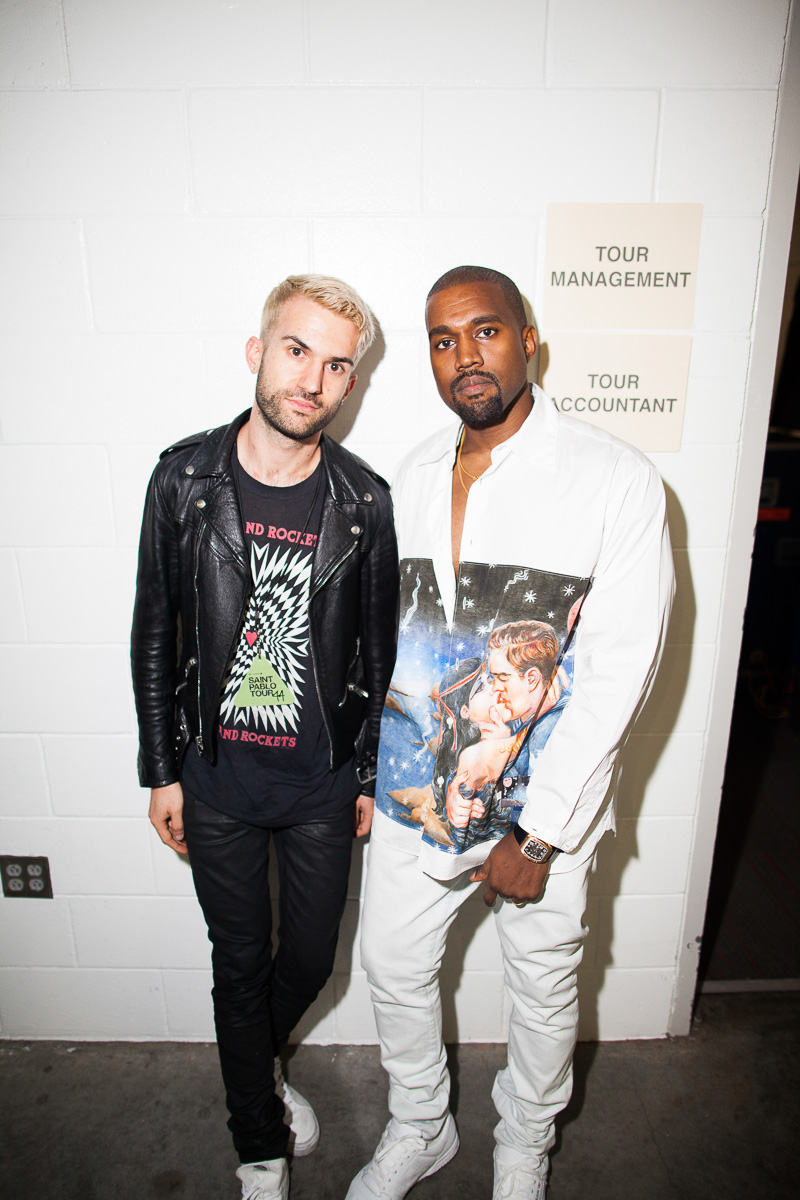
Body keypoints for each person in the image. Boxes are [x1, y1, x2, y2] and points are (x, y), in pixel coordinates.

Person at [347, 265, 674, 1200]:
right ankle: (423, 1123)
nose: (465, 357)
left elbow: (619, 673)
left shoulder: (614, 479)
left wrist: (542, 834)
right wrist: (373, 773)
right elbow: (386, 645)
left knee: (542, 984)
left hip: (542, 808)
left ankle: (524, 1141)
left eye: (484, 332)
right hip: (422, 790)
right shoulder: (405, 476)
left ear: (528, 338)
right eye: (443, 341)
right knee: (393, 963)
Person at [130, 274, 399, 1200]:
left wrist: (365, 771)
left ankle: (259, 1063)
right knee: (236, 961)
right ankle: (258, 1137)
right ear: (257, 352)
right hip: (215, 781)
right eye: (297, 351)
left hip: (321, 782)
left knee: (309, 959)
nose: (313, 381)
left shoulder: (364, 501)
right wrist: (160, 769)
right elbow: (156, 627)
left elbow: (379, 647)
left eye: (337, 365)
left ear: (351, 383)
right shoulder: (186, 480)